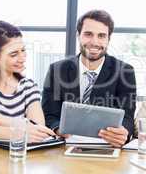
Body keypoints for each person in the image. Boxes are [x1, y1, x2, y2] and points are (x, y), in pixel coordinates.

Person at [42, 10, 136, 147]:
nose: (95, 42)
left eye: (102, 36)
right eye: (88, 34)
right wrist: (58, 128)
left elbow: (127, 117)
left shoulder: (125, 72)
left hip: (105, 146)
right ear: (78, 35)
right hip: (64, 146)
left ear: (109, 39)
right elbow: (49, 114)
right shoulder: (56, 70)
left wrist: (123, 133)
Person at [0, 21, 55, 142]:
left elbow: (38, 131)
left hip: (19, 157)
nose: (22, 58)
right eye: (14, 54)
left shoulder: (28, 87)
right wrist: (21, 128)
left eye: (23, 50)